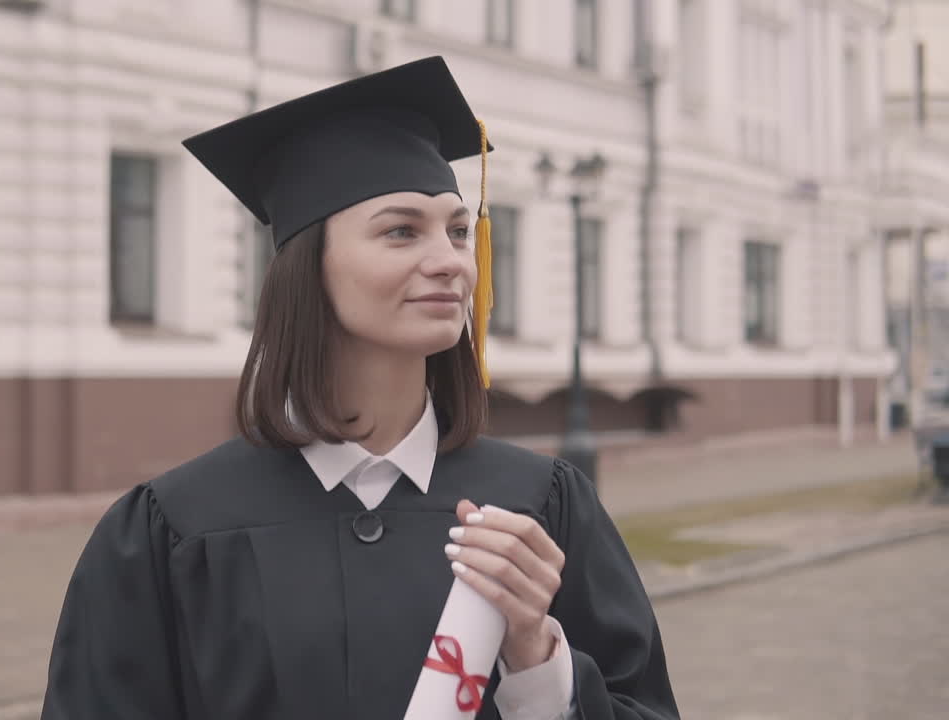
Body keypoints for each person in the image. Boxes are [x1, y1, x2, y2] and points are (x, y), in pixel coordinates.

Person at [40, 56, 679, 720]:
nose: (450, 261)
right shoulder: (173, 529)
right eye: (401, 231)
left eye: (459, 231)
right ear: (308, 267)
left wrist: (538, 664)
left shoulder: (540, 509)